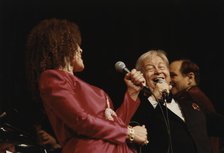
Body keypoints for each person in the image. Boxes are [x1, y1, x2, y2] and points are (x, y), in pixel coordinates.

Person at [25, 18, 148, 153]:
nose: (81, 50)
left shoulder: (81, 86)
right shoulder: (52, 78)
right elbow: (80, 120)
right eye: (77, 44)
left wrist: (132, 93)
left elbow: (114, 126)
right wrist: (129, 133)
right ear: (62, 45)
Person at [131, 49, 224, 153]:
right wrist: (155, 96)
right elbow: (133, 129)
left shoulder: (189, 102)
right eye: (150, 68)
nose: (158, 71)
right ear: (141, 77)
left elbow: (216, 124)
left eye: (162, 67)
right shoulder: (138, 107)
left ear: (169, 76)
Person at [169, 59, 220, 153]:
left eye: (173, 75)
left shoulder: (190, 97)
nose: (168, 80)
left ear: (190, 78)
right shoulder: (197, 96)